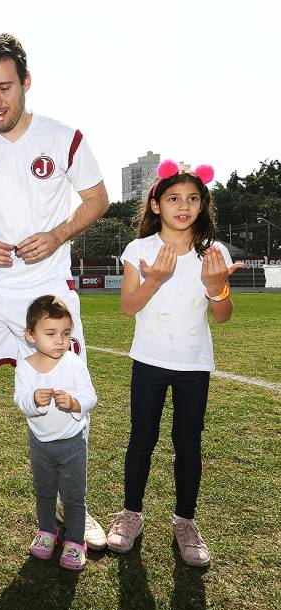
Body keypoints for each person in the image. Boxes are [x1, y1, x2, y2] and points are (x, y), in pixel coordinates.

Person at [0, 33, 109, 548]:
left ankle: (74, 505)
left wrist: (59, 233)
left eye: (4, 87)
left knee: (69, 383)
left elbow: (99, 198)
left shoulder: (64, 137)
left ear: (26, 82)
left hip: (47, 287)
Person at [106, 161, 240, 568]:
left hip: (193, 363)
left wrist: (217, 289)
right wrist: (154, 280)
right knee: (141, 437)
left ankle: (185, 521)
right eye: (174, 198)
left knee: (188, 441)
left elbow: (223, 316)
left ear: (202, 205)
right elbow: (128, 307)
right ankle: (131, 514)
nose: (183, 206)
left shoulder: (213, 252)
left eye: (192, 199)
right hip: (149, 359)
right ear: (157, 204)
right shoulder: (140, 250)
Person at [14, 296, 97, 571]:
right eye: (50, 334)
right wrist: (33, 401)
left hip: (72, 443)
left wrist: (75, 403)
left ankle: (75, 541)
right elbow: (20, 399)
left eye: (65, 333)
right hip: (40, 443)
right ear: (31, 335)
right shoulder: (25, 366)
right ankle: (47, 532)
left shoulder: (73, 363)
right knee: (44, 491)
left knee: (74, 497)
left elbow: (90, 396)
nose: (59, 340)